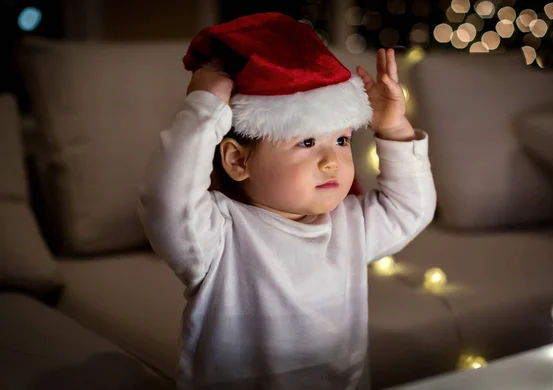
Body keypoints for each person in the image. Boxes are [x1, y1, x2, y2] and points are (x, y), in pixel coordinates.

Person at [138, 12, 436, 390]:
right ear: (237, 160)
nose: (332, 160)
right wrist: (204, 108)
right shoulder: (217, 235)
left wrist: (394, 128)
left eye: (342, 140)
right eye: (306, 142)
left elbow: (410, 209)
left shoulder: (349, 226)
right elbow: (167, 202)